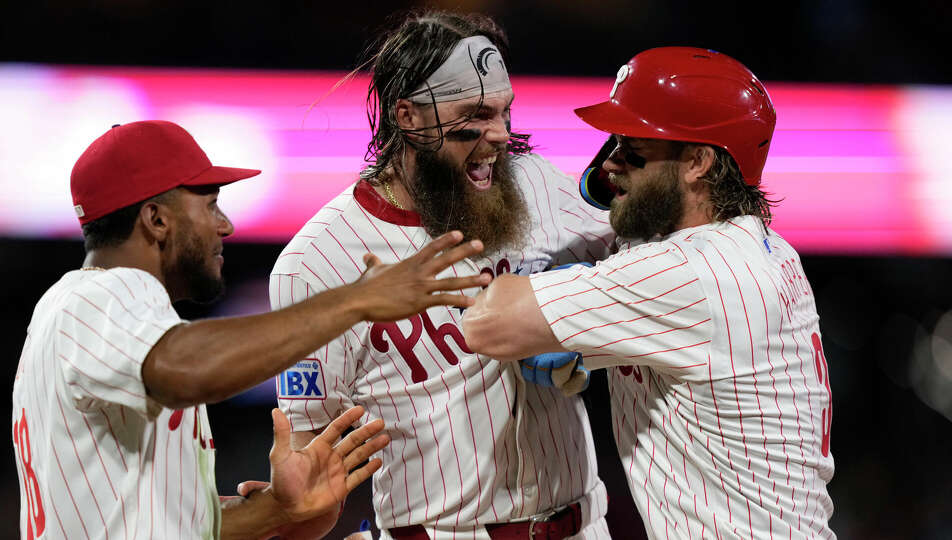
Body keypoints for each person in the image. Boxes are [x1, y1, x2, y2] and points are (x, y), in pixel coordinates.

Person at [11, 120, 492, 540]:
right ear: (156, 219)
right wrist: (357, 299)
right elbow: (184, 367)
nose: (226, 225)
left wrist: (276, 511)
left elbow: (164, 526)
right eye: (210, 204)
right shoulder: (98, 299)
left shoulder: (99, 323)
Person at [463, 47, 836, 539]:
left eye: (634, 146)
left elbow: (488, 323)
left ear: (698, 161)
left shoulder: (691, 273)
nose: (611, 163)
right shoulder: (758, 247)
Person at [271, 11, 615, 540]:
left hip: (581, 525)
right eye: (476, 113)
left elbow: (640, 261)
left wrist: (575, 300)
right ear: (407, 116)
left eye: (505, 111)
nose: (500, 135)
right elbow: (312, 463)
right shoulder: (317, 263)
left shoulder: (534, 184)